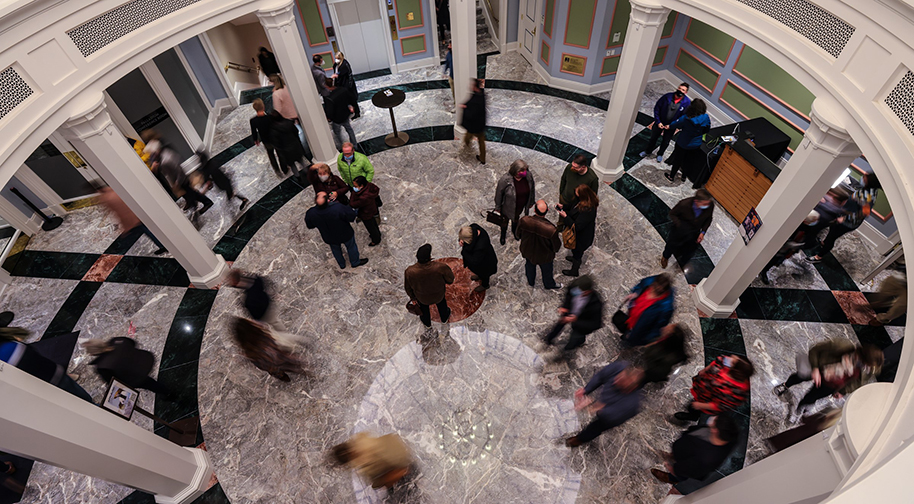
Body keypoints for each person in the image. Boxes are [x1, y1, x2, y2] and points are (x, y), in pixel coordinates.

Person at [773, 340, 883, 422]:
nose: (865, 368)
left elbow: (857, 383)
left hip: (831, 385)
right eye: (865, 364)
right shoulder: (842, 346)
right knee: (799, 377)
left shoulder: (868, 369)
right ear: (861, 356)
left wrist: (843, 391)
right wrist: (815, 368)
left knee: (811, 397)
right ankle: (785, 385)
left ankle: (799, 411)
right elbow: (815, 350)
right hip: (820, 369)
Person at [0, 326, 93, 402]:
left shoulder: (7, 353)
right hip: (53, 375)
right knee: (83, 398)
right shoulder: (11, 345)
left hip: (44, 387)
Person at [565, 361, 645, 447]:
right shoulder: (618, 367)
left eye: (621, 383)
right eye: (618, 377)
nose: (615, 381)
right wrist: (586, 390)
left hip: (609, 416)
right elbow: (600, 376)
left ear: (631, 388)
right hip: (605, 402)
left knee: (596, 428)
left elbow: (611, 418)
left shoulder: (632, 404)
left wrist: (595, 407)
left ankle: (579, 439)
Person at [808, 174, 880, 263]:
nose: (862, 178)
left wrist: (845, 218)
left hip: (847, 222)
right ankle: (823, 243)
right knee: (831, 231)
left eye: (865, 178)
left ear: (870, 182)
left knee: (832, 237)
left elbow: (865, 213)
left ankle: (818, 257)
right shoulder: (867, 190)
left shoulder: (868, 196)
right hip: (843, 215)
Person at [651, 414, 739, 485]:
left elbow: (686, 470)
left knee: (682, 474)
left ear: (716, 430)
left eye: (715, 421)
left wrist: (672, 469)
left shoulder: (706, 459)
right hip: (685, 450)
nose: (713, 418)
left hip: (687, 464)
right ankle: (673, 456)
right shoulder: (726, 435)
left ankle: (671, 479)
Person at [673, 354, 754, 424]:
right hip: (702, 389)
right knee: (693, 403)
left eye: (733, 361)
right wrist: (704, 371)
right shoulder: (726, 361)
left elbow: (720, 405)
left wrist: (700, 405)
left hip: (706, 400)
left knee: (693, 408)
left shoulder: (735, 390)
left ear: (736, 371)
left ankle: (693, 416)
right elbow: (715, 363)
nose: (731, 357)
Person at [144, 136, 214, 215]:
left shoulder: (166, 160)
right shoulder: (164, 154)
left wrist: (177, 183)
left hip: (180, 180)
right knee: (188, 193)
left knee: (191, 193)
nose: (151, 156)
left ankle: (206, 202)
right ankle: (192, 203)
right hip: (177, 180)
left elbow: (179, 171)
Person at [541, 275, 604, 360]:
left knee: (574, 340)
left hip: (580, 323)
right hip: (569, 312)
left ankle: (563, 354)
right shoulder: (574, 287)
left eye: (580, 291)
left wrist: (576, 320)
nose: (577, 292)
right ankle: (548, 340)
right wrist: (565, 307)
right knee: (559, 325)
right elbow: (569, 295)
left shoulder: (596, 304)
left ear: (588, 291)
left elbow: (595, 324)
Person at [82, 337, 168, 395]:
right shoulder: (117, 341)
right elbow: (133, 343)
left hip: (136, 376)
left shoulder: (102, 366)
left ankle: (167, 393)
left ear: (93, 353)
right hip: (144, 360)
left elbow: (113, 382)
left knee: (149, 384)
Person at [304, 191, 368, 269]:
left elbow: (310, 225)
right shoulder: (338, 208)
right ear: (328, 200)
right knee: (351, 247)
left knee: (335, 250)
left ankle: (342, 264)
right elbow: (351, 217)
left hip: (329, 236)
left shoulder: (311, 213)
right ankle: (355, 262)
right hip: (345, 233)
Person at [97, 186, 167, 255]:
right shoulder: (116, 191)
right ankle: (163, 245)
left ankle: (164, 245)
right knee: (148, 231)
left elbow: (120, 213)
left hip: (132, 220)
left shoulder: (107, 198)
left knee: (142, 232)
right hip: (137, 216)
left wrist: (125, 225)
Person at [230, 317, 304, 382]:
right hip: (279, 356)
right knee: (292, 363)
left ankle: (283, 376)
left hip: (270, 365)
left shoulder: (249, 352)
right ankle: (301, 368)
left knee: (276, 371)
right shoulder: (261, 335)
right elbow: (266, 329)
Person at [331, 432, 413, 489]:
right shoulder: (362, 443)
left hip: (402, 464)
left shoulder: (366, 447)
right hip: (398, 463)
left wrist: (401, 472)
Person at [758, 211, 820, 285]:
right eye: (813, 220)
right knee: (773, 258)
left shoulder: (808, 228)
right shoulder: (796, 224)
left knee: (777, 260)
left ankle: (766, 269)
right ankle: (763, 270)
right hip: (783, 246)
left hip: (789, 249)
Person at [662, 189, 714, 270]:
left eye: (708, 203)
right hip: (679, 231)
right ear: (697, 201)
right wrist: (679, 224)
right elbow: (672, 214)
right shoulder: (684, 204)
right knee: (671, 246)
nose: (707, 205)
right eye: (705, 203)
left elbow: (709, 219)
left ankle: (682, 263)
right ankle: (665, 257)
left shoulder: (710, 205)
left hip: (694, 233)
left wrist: (703, 232)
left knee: (690, 251)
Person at [404, 244, 454, 327]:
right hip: (438, 295)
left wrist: (413, 298)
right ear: (430, 257)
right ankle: (444, 318)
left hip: (421, 297)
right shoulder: (440, 267)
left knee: (424, 311)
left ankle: (427, 323)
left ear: (417, 256)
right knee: (442, 306)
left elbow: (408, 287)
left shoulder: (409, 271)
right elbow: (450, 280)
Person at [640, 83, 692, 163]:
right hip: (660, 123)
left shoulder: (687, 102)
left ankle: (660, 154)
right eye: (679, 88)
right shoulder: (667, 96)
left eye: (683, 90)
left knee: (666, 141)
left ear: (686, 92)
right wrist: (658, 121)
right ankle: (647, 151)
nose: (680, 90)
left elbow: (683, 117)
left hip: (671, 126)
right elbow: (657, 108)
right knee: (653, 138)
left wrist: (672, 125)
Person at [518, 200, 562, 290]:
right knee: (547, 272)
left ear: (534, 210)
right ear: (547, 211)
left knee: (529, 267)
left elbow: (518, 235)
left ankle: (531, 282)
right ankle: (549, 284)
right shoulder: (551, 229)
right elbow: (556, 247)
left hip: (528, 251)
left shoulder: (524, 220)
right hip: (545, 256)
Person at [620, 274, 675, 346]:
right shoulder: (649, 281)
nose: (652, 291)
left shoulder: (666, 308)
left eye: (658, 291)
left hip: (640, 329)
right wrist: (635, 293)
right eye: (654, 287)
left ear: (664, 291)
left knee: (630, 341)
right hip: (631, 318)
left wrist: (644, 338)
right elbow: (639, 286)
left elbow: (658, 327)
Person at [665, 99, 710, 186]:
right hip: (695, 144)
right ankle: (684, 176)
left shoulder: (686, 119)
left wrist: (669, 126)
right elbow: (706, 130)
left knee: (678, 160)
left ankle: (671, 176)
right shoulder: (706, 118)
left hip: (683, 143)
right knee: (688, 161)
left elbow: (675, 125)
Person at [558, 184, 598, 277]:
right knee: (575, 251)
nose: (575, 194)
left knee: (578, 253)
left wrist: (566, 217)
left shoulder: (588, 209)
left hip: (582, 237)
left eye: (577, 193)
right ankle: (574, 257)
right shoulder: (582, 201)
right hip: (579, 235)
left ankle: (574, 270)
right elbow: (573, 207)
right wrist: (563, 206)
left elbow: (577, 226)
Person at [493, 159, 536, 245]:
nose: (525, 172)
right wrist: (498, 206)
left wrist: (531, 201)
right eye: (522, 170)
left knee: (516, 220)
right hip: (507, 207)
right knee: (504, 222)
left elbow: (532, 189)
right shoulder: (505, 180)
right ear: (516, 171)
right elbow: (499, 193)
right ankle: (503, 235)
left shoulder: (528, 176)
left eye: (525, 170)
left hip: (520, 206)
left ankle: (515, 231)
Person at [270, 110, 309, 182]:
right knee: (301, 160)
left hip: (286, 151)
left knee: (292, 165)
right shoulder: (288, 122)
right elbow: (296, 131)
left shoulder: (274, 131)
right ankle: (307, 172)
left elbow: (276, 143)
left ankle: (298, 177)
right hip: (295, 146)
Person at [459, 224, 498, 292]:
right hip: (483, 260)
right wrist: (461, 240)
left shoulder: (481, 246)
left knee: (485, 275)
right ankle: (479, 275)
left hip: (486, 264)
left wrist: (464, 252)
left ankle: (485, 285)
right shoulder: (474, 228)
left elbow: (474, 261)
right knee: (481, 273)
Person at [324, 78, 358, 151]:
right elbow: (351, 99)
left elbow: (330, 112)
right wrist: (350, 106)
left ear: (327, 86)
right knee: (349, 129)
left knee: (337, 132)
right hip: (345, 114)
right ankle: (355, 144)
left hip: (337, 119)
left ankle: (341, 146)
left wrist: (329, 118)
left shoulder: (330, 98)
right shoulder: (343, 90)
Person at [250, 98, 281, 174]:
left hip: (265, 140)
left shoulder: (253, 120)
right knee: (280, 152)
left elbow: (254, 131)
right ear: (263, 107)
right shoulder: (270, 117)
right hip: (274, 138)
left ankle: (276, 169)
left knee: (271, 154)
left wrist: (255, 139)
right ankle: (284, 167)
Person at [460, 78, 487, 164]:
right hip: (481, 124)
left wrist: (465, 108)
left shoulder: (476, 99)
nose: (470, 86)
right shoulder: (481, 94)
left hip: (474, 125)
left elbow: (471, 113)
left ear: (475, 86)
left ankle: (467, 144)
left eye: (472, 85)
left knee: (469, 135)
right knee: (481, 140)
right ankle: (483, 158)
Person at [349, 176, 382, 246]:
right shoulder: (370, 186)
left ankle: (376, 239)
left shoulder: (364, 197)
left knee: (370, 227)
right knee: (373, 223)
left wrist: (353, 193)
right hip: (372, 208)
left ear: (361, 186)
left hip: (365, 213)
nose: (354, 187)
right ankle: (378, 234)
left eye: (355, 186)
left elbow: (353, 204)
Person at [332, 52, 360, 119]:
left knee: (352, 99)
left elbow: (349, 75)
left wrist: (349, 86)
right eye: (336, 58)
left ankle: (357, 112)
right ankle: (350, 111)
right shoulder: (336, 64)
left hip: (347, 86)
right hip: (341, 85)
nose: (336, 60)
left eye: (338, 58)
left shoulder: (345, 64)